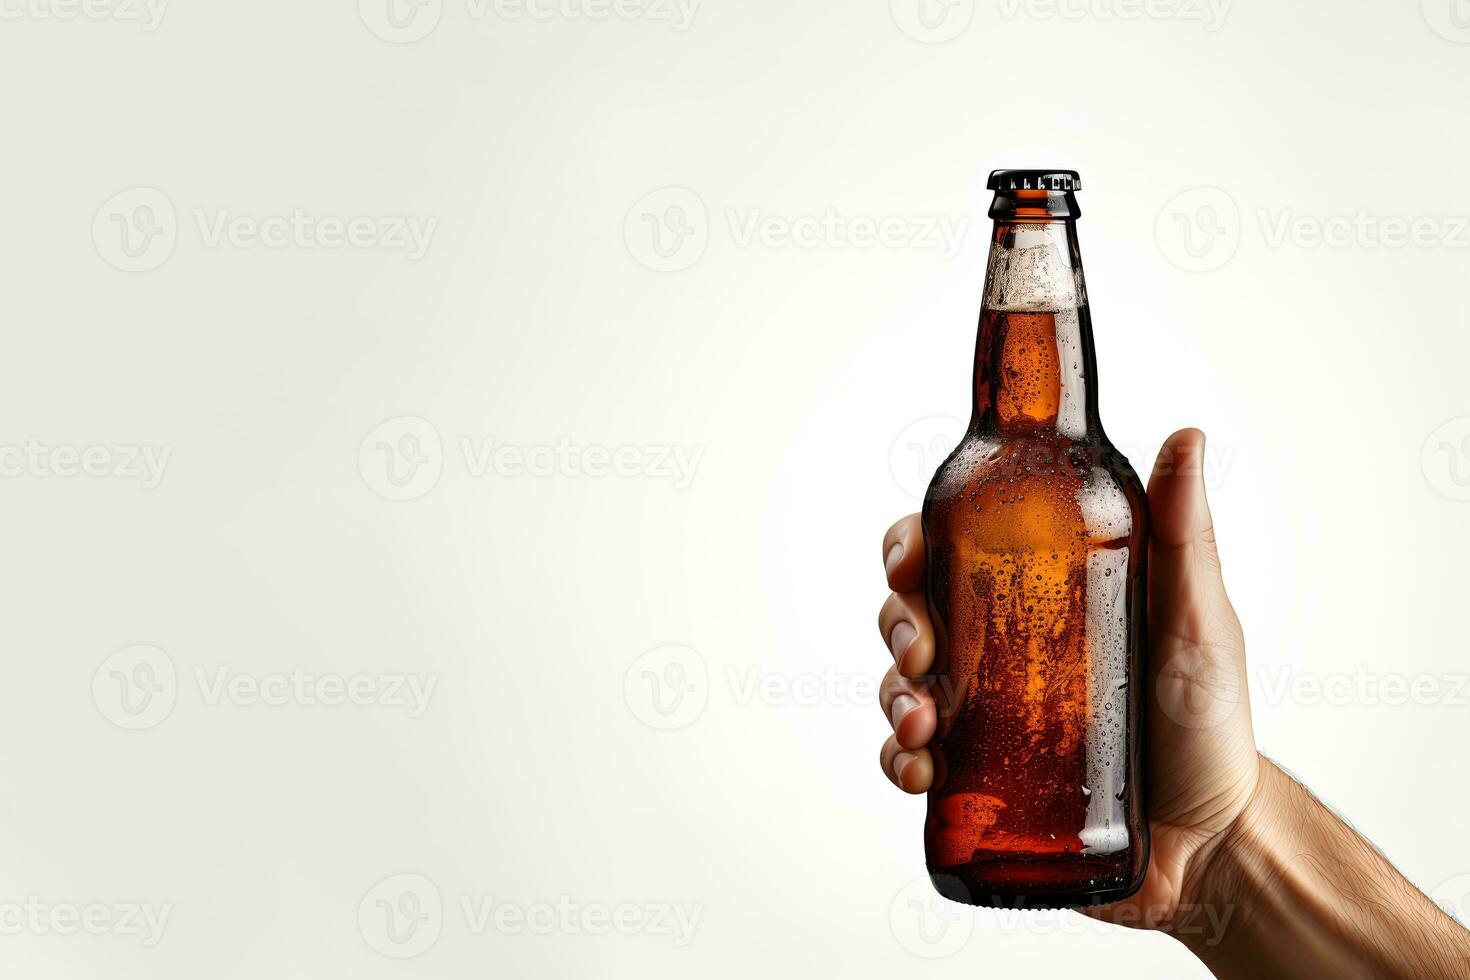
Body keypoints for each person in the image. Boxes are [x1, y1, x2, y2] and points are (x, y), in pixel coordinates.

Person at [876, 428, 1470, 978]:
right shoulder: (977, 480)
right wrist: (1221, 854)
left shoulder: (1098, 484)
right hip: (1049, 845)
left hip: (1113, 840)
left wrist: (1227, 836)